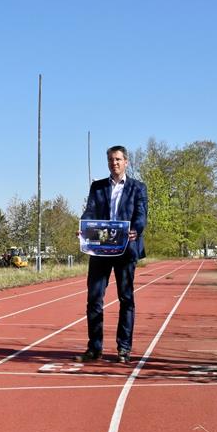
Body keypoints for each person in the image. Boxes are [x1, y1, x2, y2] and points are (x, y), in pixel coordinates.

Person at [76, 145, 148, 364]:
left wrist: (136, 229)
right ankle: (94, 348)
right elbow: (90, 211)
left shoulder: (138, 187)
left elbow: (141, 215)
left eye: (117, 159)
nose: (114, 163)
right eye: (110, 159)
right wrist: (83, 226)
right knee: (94, 299)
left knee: (126, 299)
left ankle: (124, 348)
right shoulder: (97, 187)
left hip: (126, 249)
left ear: (126, 162)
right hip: (100, 250)